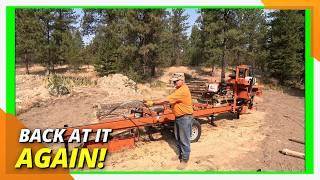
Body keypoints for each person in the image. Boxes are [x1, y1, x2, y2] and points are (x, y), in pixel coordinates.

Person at [144, 73, 193, 170]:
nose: (174, 82)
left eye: (176, 81)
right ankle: (180, 155)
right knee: (178, 138)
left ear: (182, 80)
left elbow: (166, 99)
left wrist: (152, 102)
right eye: (174, 81)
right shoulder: (178, 89)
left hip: (185, 118)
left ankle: (185, 160)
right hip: (179, 117)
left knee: (184, 140)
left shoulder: (183, 90)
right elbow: (171, 100)